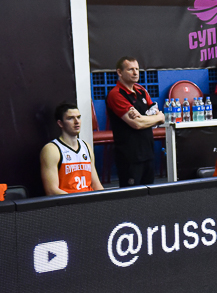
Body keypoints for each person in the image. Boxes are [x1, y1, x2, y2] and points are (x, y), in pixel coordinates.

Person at [106, 57, 165, 187]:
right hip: (129, 157)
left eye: (137, 69)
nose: (135, 73)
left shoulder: (141, 91)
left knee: (150, 193)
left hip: (148, 152)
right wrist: (157, 118)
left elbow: (156, 115)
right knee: (132, 195)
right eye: (130, 69)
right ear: (119, 72)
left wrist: (147, 118)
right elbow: (137, 124)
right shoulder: (116, 94)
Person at [40, 103, 103, 195]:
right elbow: (51, 190)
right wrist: (78, 201)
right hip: (68, 201)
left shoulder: (86, 147)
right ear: (60, 123)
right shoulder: (52, 150)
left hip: (89, 200)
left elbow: (96, 185)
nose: (77, 121)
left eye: (78, 117)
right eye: (70, 118)